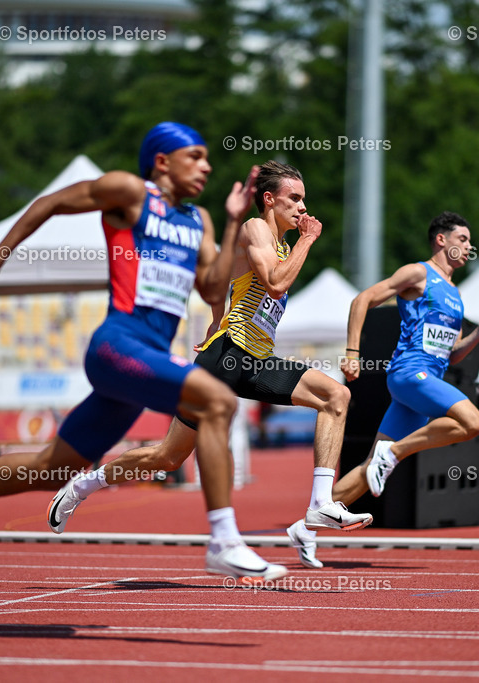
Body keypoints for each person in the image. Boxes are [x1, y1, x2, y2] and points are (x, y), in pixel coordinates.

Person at [0, 122, 286, 581]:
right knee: (218, 401)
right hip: (118, 345)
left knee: (49, 471)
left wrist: (233, 221)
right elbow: (50, 202)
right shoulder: (129, 191)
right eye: (195, 155)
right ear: (162, 161)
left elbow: (212, 287)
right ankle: (224, 540)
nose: (207, 166)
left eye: (208, 157)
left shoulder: (198, 220)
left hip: (141, 363)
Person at [47, 160, 371, 568]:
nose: (304, 208)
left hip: (256, 360)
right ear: (269, 200)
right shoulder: (257, 229)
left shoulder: (283, 245)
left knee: (336, 395)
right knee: (166, 458)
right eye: (295, 199)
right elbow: (274, 282)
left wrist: (217, 314)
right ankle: (82, 486)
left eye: (304, 200)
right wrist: (310, 241)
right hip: (226, 357)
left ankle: (319, 505)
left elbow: (221, 281)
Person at [285, 211, 479, 565]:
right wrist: (353, 353)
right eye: (462, 239)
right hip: (409, 374)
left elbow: (453, 355)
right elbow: (362, 301)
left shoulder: (455, 295)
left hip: (426, 381)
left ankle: (305, 526)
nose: (468, 246)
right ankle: (397, 453)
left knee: (368, 467)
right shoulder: (419, 273)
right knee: (474, 423)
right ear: (441, 240)